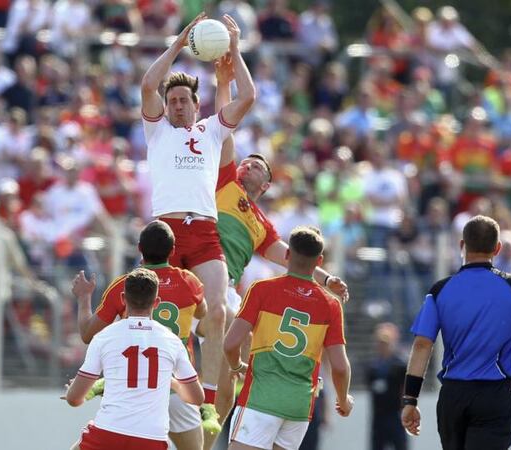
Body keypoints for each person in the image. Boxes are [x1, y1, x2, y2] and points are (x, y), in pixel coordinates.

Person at [207, 54, 350, 428]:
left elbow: (292, 259)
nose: (247, 164)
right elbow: (225, 130)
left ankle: (209, 434)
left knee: (227, 380)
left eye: (257, 165)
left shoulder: (261, 225)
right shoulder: (224, 182)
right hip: (201, 277)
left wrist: (326, 279)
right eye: (247, 161)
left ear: (266, 186)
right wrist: (223, 84)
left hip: (226, 292)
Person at [140, 11, 255, 428]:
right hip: (165, 232)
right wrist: (177, 43)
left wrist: (236, 53)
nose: (176, 105)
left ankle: (205, 403)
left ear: (195, 103)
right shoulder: (157, 131)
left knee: (217, 314)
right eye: (172, 101)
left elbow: (247, 98)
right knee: (148, 311)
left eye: (183, 100)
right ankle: (139, 384)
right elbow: (149, 84)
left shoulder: (210, 130)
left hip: (204, 229)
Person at [401, 215, 511, 449]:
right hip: (495, 396)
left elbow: (422, 345)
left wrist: (410, 399)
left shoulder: (440, 290)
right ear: (497, 248)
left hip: (453, 395)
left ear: (462, 245)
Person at [72, 220, 209, 450]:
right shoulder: (189, 282)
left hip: (134, 389)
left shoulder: (124, 286)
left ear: (139, 249)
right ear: (173, 251)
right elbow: (203, 312)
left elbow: (87, 334)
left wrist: (84, 299)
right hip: (177, 382)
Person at [223, 226, 354, 450]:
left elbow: (230, 343)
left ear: (286, 255)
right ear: (319, 261)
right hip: (299, 407)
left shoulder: (261, 290)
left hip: (260, 399)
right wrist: (343, 400)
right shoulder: (331, 305)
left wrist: (236, 366)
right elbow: (340, 367)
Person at [367, 323, 407, 450]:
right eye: (380, 343)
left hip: (395, 415)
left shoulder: (400, 365)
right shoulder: (373, 366)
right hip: (378, 415)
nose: (382, 346)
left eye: (385, 343)